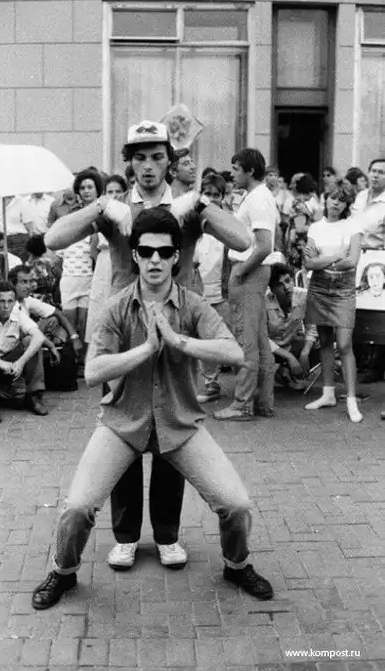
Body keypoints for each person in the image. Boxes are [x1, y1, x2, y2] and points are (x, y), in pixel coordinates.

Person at [31, 209, 273, 610]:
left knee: (237, 504)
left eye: (164, 252)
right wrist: (145, 350)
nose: (155, 260)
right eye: (146, 252)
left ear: (176, 256)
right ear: (136, 255)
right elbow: (92, 371)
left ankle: (237, 564)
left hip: (180, 423)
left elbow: (233, 352)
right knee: (77, 508)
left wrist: (179, 342)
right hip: (122, 423)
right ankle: (63, 571)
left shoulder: (193, 305)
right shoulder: (116, 307)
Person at [44, 119, 251, 571]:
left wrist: (202, 204)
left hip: (179, 322)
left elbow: (243, 240)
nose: (149, 166)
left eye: (158, 157)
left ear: (169, 161)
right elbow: (53, 239)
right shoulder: (117, 207)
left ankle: (167, 534)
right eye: (140, 158)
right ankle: (125, 535)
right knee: (124, 426)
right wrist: (101, 204)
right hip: (124, 327)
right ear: (130, 163)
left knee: (172, 430)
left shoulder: (185, 206)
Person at [214, 148, 277, 422]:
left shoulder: (258, 199)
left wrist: (240, 272)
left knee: (245, 338)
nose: (232, 174)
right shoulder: (256, 196)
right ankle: (263, 401)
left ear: (250, 171)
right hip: (252, 271)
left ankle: (242, 403)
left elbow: (264, 246)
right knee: (259, 338)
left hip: (248, 271)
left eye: (236, 169)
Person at [303, 183, 363, 423]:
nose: (336, 203)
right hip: (318, 288)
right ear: (326, 199)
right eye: (333, 198)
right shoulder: (315, 227)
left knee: (345, 344)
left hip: (343, 289)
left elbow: (353, 261)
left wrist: (322, 261)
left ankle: (351, 399)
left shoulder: (352, 226)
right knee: (325, 341)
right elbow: (308, 264)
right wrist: (337, 257)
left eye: (341, 199)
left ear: (347, 204)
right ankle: (328, 394)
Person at [0, 281, 47, 423]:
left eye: (10, 301)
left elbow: (39, 337)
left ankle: (33, 395)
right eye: (1, 301)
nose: (6, 306)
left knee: (32, 341)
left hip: (11, 362)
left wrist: (20, 362)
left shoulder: (17, 313)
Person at [194, 173, 232, 403]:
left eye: (216, 195)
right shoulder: (194, 221)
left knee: (227, 337)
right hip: (199, 288)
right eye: (207, 194)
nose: (211, 198)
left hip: (224, 290)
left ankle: (247, 384)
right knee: (203, 338)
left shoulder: (228, 222)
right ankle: (210, 383)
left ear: (223, 197)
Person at [59, 169, 103, 363]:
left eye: (90, 187)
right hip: (70, 277)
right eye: (83, 187)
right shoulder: (73, 215)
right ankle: (70, 363)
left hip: (91, 277)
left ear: (97, 189)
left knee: (86, 323)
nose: (86, 191)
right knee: (70, 323)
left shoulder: (103, 214)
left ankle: (86, 362)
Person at [85, 175, 127, 345]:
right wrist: (103, 265)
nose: (114, 195)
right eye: (110, 191)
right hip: (104, 263)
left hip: (123, 263)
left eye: (118, 191)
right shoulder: (101, 217)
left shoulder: (128, 214)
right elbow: (93, 249)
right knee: (101, 303)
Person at [266, 263, 318, 389]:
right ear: (272, 289)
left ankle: (284, 372)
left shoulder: (304, 296)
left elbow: (312, 328)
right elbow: (261, 337)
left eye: (288, 281)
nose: (286, 287)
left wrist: (305, 353)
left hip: (290, 344)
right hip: (268, 349)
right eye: (279, 285)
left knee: (321, 342)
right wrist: (290, 358)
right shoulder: (263, 301)